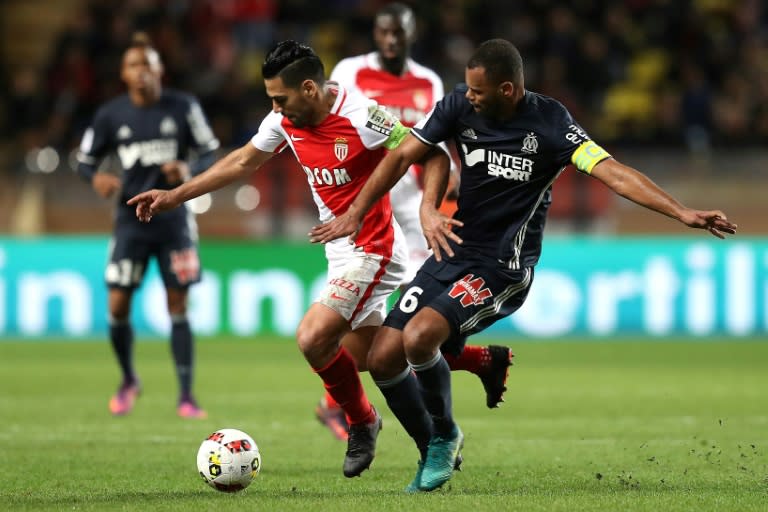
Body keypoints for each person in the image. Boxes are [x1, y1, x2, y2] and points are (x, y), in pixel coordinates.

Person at [309, 38, 738, 492]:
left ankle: (442, 437)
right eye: (468, 90)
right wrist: (420, 207)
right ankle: (434, 443)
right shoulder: (457, 105)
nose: (469, 97)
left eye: (478, 91)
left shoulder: (552, 123)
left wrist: (682, 212)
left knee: (419, 338)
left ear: (508, 89)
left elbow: (613, 171)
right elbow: (405, 154)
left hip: (502, 267)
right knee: (381, 358)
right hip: (454, 248)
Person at [127, 40, 447, 478]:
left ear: (311, 89)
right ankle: (437, 442)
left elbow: (426, 151)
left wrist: (428, 208)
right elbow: (242, 162)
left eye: (280, 98)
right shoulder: (284, 118)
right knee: (374, 357)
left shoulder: (362, 116)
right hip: (340, 252)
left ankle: (362, 421)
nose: (275, 107)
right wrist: (173, 197)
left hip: (374, 247)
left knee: (313, 337)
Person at [315, 1, 514, 441]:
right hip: (370, 199)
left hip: (416, 202)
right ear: (375, 33)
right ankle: (479, 361)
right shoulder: (351, 71)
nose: (390, 41)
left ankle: (475, 363)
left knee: (417, 313)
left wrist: (455, 174)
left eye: (398, 34)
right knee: (367, 320)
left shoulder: (427, 80)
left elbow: (443, 130)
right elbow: (332, 120)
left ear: (410, 35)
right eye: (383, 32)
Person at [76, 33, 219, 419]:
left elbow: (211, 152)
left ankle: (186, 395)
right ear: (123, 74)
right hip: (129, 222)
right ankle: (128, 380)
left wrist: (189, 169)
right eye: (133, 65)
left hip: (175, 221)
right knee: (118, 304)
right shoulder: (110, 115)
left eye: (148, 64)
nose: (142, 71)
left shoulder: (184, 107)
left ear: (160, 69)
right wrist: (96, 179)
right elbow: (84, 160)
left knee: (178, 303)